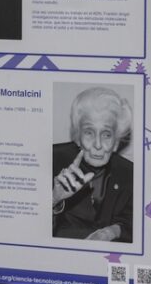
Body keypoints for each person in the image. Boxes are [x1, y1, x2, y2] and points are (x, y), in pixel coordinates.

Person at [53, 86, 133, 242]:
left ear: (116, 143)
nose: (98, 144)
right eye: (89, 132)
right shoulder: (50, 161)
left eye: (106, 134)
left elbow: (135, 222)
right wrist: (54, 199)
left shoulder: (130, 174)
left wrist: (112, 232)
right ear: (77, 137)